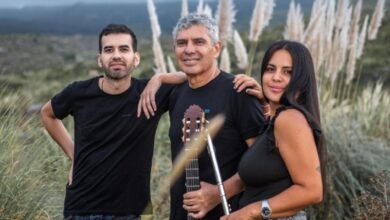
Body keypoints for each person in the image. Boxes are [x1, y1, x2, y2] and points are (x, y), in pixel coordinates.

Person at [40, 23, 186, 219]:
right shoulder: (78, 93)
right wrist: (74, 155)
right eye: (109, 50)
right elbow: (47, 114)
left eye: (124, 49)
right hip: (82, 209)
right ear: (100, 60)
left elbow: (195, 74)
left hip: (132, 210)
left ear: (136, 58)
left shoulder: (150, 94)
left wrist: (159, 78)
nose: (116, 55)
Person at [138, 13, 266, 219]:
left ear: (216, 48)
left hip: (229, 213)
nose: (189, 49)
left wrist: (219, 193)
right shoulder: (175, 91)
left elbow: (264, 162)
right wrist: (159, 77)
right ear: (174, 50)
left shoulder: (239, 92)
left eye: (199, 42)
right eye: (182, 43)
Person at [221, 40, 326, 220]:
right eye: (270, 69)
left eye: (288, 72)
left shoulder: (289, 119)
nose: (276, 77)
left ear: (302, 79)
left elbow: (312, 191)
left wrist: (251, 211)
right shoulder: (277, 119)